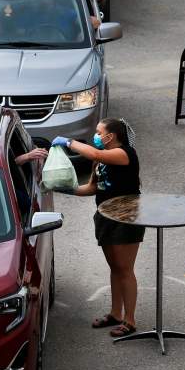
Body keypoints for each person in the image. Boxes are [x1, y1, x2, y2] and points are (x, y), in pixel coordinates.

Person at [52, 118, 141, 338]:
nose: (97, 135)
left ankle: (130, 320)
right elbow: (93, 187)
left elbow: (95, 153)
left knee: (125, 269)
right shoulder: (100, 162)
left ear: (111, 136)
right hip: (104, 215)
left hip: (126, 217)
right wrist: (66, 189)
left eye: (100, 132)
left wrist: (69, 142)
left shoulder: (125, 154)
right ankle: (115, 314)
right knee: (115, 267)